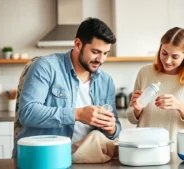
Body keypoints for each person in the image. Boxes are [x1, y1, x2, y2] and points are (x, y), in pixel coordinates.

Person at [13, 17, 121, 157]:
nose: (101, 59)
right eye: (95, 52)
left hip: (87, 158)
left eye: (105, 53)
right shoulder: (45, 67)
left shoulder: (106, 81)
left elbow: (116, 127)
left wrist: (112, 129)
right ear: (78, 44)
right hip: (44, 158)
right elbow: (28, 113)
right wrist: (78, 114)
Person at [127, 27, 184, 151]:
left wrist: (180, 106)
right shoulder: (145, 72)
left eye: (175, 56)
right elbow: (131, 118)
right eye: (164, 53)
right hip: (144, 149)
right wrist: (136, 110)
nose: (167, 60)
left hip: (177, 151)